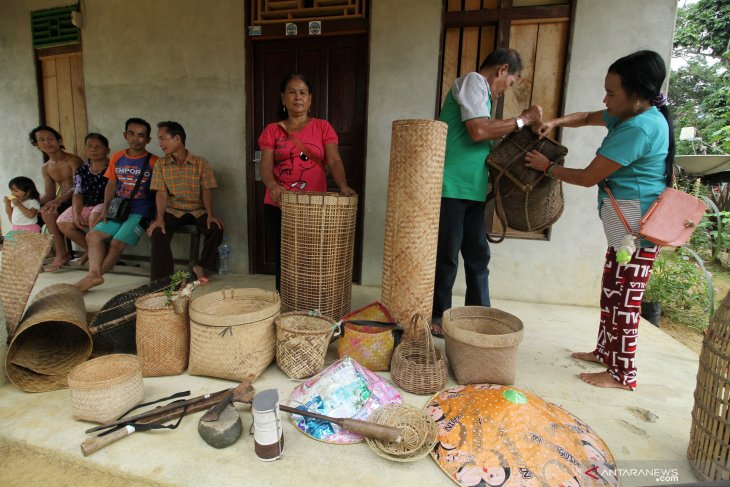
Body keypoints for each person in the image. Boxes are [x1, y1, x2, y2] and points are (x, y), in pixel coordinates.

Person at [524, 50, 673, 390]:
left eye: (612, 93)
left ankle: (623, 374)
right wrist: (556, 123)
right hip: (623, 224)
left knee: (625, 300)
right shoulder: (627, 114)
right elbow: (588, 116)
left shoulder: (639, 128)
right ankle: (606, 352)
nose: (605, 99)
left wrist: (546, 167)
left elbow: (590, 176)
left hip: (637, 228)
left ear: (636, 95)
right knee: (612, 291)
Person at [432, 48, 543, 336]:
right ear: (502, 69)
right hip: (451, 185)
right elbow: (478, 131)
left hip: (472, 188)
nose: (505, 90)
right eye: (509, 82)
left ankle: (480, 316)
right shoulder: (473, 82)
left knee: (478, 254)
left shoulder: (483, 95)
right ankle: (437, 316)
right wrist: (523, 120)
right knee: (447, 255)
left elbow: (485, 131)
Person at [258, 73, 356, 289]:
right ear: (283, 98)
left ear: (310, 99)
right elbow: (265, 165)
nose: (297, 97)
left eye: (302, 92)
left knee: (312, 256)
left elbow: (334, 160)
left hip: (313, 205)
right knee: (284, 257)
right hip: (280, 204)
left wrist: (343, 186)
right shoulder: (272, 130)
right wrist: (273, 186)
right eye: (292, 92)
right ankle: (285, 303)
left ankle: (309, 301)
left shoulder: (322, 127)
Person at [75, 118, 158, 292]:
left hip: (141, 211)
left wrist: (158, 217)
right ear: (125, 135)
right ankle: (94, 275)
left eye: (141, 135)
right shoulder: (117, 157)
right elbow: (111, 184)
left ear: (148, 139)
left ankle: (93, 278)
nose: (136, 138)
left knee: (117, 242)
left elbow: (159, 192)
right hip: (118, 208)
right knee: (93, 236)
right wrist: (105, 208)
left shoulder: (154, 161)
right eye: (131, 133)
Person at [147, 121, 224, 282]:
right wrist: (159, 218)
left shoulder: (201, 163)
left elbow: (207, 190)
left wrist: (210, 214)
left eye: (163, 138)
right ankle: (162, 280)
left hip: (197, 210)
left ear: (177, 138)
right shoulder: (161, 164)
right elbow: (161, 193)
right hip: (173, 210)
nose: (160, 143)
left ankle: (201, 266)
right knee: (157, 232)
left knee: (215, 228)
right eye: (159, 139)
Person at [29, 125, 83, 271]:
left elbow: (79, 187)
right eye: (41, 140)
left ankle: (61, 253)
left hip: (79, 199)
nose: (47, 142)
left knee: (49, 213)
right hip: (63, 201)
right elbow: (49, 195)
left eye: (50, 138)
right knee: (36, 213)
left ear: (59, 140)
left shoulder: (73, 160)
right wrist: (30, 204)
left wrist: (58, 201)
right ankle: (45, 253)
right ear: (37, 145)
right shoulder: (46, 167)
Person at [57, 133, 110, 265]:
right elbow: (77, 193)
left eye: (98, 146)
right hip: (87, 204)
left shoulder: (113, 167)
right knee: (63, 223)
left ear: (107, 150)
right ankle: (91, 250)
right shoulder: (82, 169)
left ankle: (95, 255)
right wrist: (76, 214)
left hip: (105, 204)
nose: (93, 149)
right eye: (90, 146)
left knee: (93, 219)